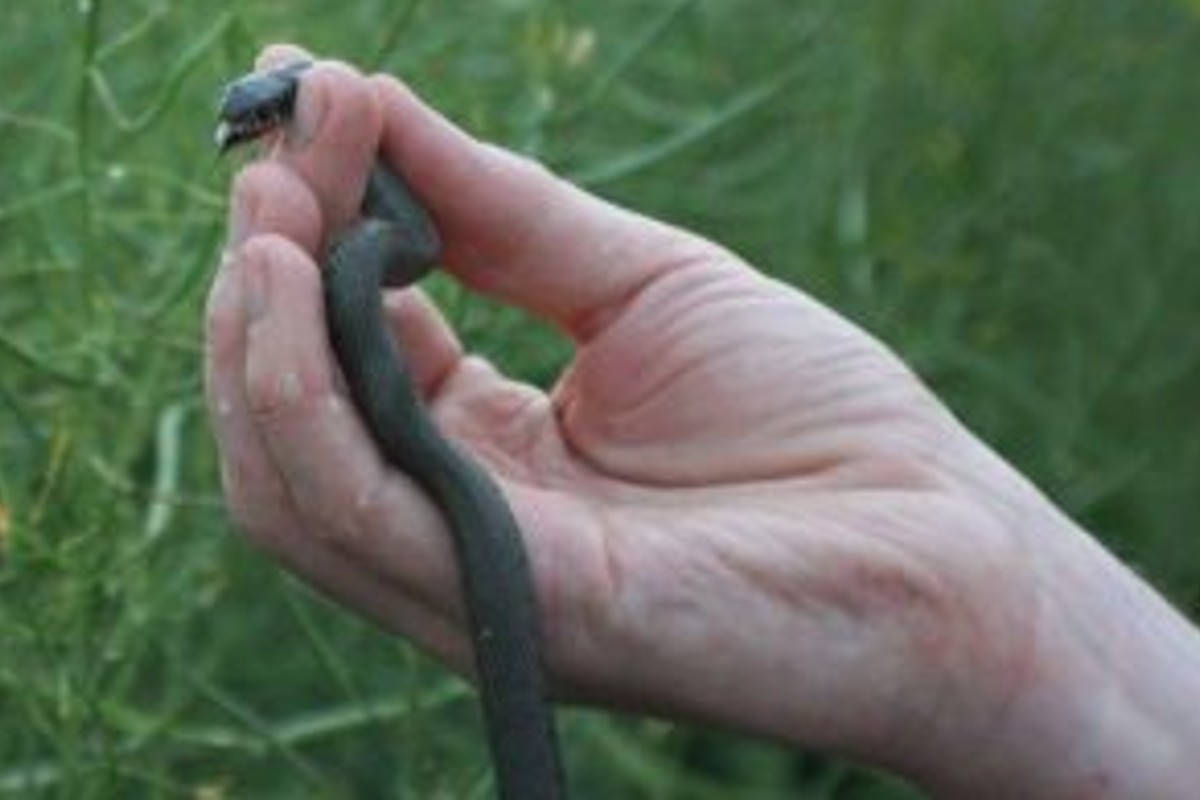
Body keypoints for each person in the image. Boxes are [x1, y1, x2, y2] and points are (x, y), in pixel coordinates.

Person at [204, 46, 1200, 798]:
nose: (246, 130)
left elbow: (402, 245)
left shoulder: (393, 238)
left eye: (253, 121)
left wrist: (995, 595)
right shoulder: (383, 234)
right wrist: (992, 602)